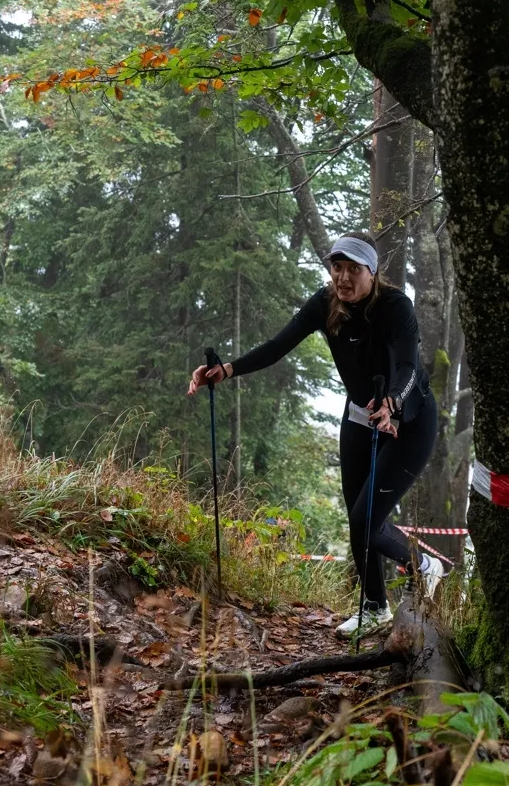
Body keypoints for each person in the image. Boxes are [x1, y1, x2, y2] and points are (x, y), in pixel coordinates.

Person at [188, 230, 443, 635]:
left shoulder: (396, 307)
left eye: (352, 269)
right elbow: (277, 345)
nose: (343, 278)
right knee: (356, 520)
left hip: (409, 422)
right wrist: (228, 369)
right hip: (361, 415)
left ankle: (426, 567)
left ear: (372, 272)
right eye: (336, 268)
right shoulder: (325, 304)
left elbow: (408, 367)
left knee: (366, 519)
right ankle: (375, 608)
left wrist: (392, 402)